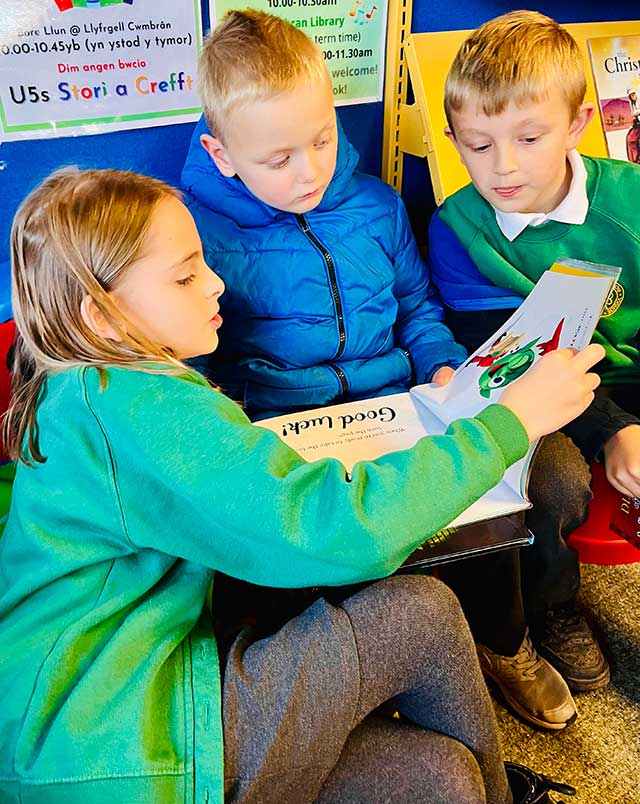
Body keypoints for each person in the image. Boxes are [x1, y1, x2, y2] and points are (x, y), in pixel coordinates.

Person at [0, 168, 594, 803]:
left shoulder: (83, 384)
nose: (216, 283)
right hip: (117, 743)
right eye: (184, 275)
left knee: (447, 780)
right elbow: (338, 531)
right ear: (103, 316)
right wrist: (511, 423)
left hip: (95, 718)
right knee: (419, 614)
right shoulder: (137, 406)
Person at [429, 9, 640, 729]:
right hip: (544, 392)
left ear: (579, 123)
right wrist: (612, 431)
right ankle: (554, 607)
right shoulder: (459, 227)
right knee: (545, 485)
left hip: (628, 378)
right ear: (454, 137)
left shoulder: (629, 196)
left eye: (529, 138)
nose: (504, 168)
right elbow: (507, 354)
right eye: (478, 145)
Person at [181, 9, 467, 421]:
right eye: (280, 161)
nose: (310, 174)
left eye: (322, 140)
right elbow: (189, 361)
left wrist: (441, 363)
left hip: (389, 403)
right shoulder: (193, 233)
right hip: (272, 420)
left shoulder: (379, 205)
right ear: (221, 156)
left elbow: (417, 309)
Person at [625, 87, 640, 164]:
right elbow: (634, 114)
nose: (633, 96)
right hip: (638, 124)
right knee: (630, 138)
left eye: (634, 94)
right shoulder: (632, 104)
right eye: (631, 95)